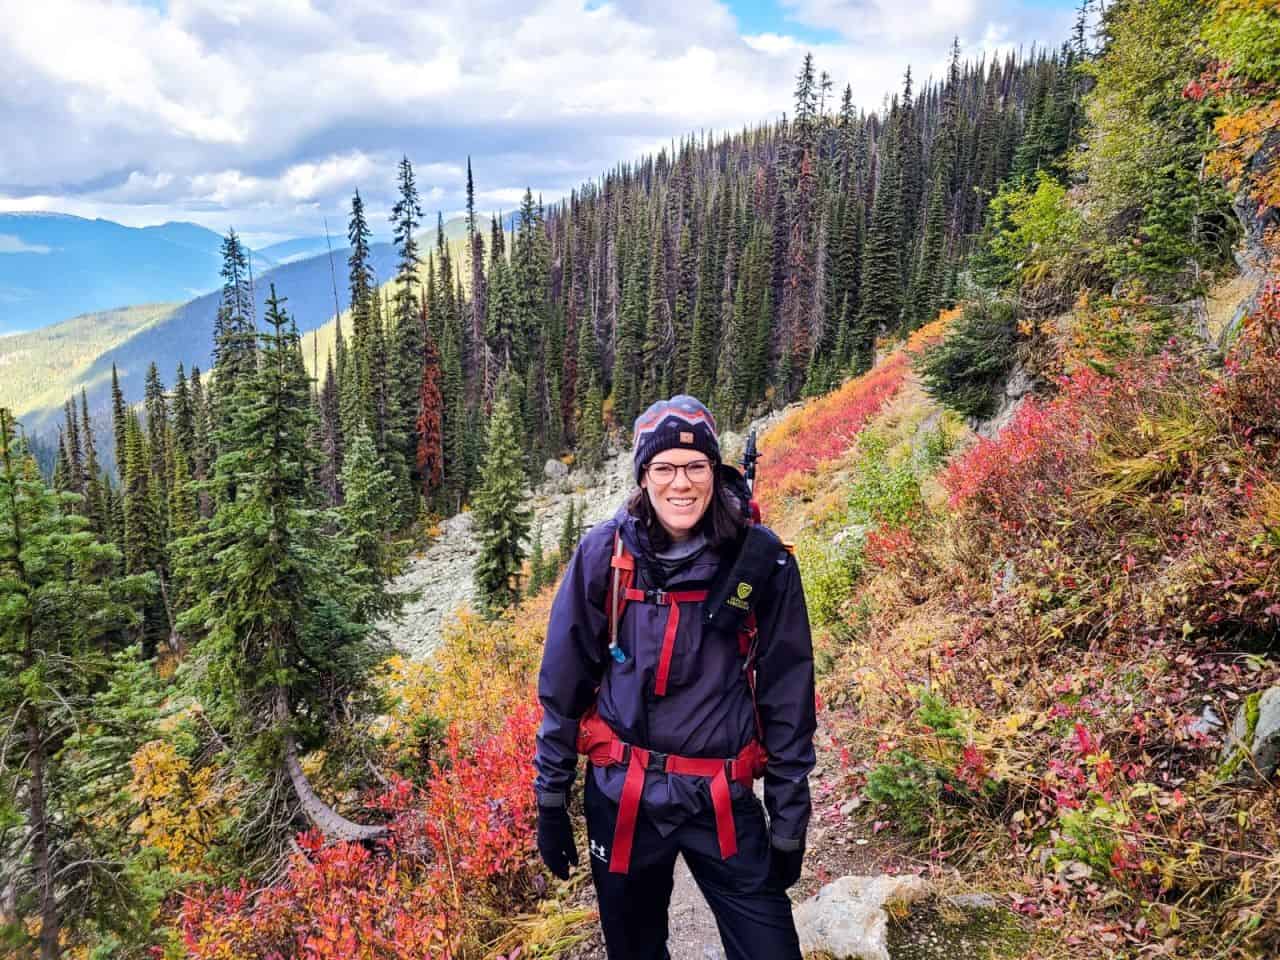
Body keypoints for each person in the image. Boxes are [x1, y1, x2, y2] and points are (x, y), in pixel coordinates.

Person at [533, 394, 816, 960]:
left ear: (715, 471)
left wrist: (788, 814)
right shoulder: (602, 555)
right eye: (663, 467)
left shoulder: (762, 564)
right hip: (622, 798)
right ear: (643, 476)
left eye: (694, 466)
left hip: (721, 801)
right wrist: (550, 797)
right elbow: (563, 688)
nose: (679, 483)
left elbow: (789, 694)